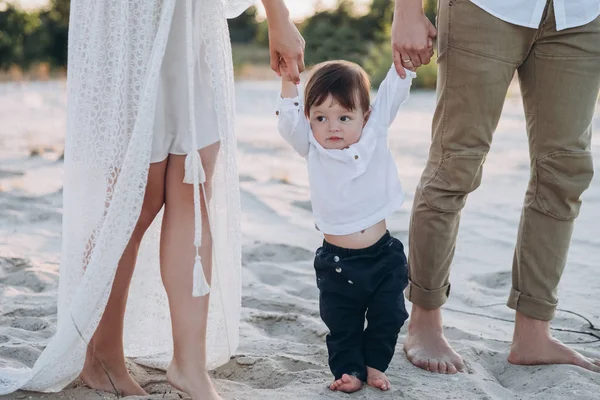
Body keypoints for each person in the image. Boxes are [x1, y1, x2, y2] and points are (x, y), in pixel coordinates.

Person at [0, 0, 305, 398]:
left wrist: (278, 14)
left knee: (193, 179)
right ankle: (102, 356)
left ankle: (189, 365)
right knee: (135, 190)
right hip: (129, 14)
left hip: (190, 12)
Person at [393, 0, 600, 374]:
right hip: (484, 9)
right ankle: (424, 319)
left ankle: (534, 331)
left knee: (565, 172)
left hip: (581, 14)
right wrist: (407, 10)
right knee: (455, 164)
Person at [275, 59, 423, 393]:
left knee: (390, 315)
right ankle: (350, 371)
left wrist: (406, 64)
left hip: (383, 256)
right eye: (320, 118)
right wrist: (288, 80)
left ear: (364, 117)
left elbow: (392, 93)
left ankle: (374, 364)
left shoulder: (374, 131)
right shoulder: (311, 146)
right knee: (342, 323)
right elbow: (288, 121)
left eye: (344, 116)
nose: (332, 127)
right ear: (309, 119)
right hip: (336, 263)